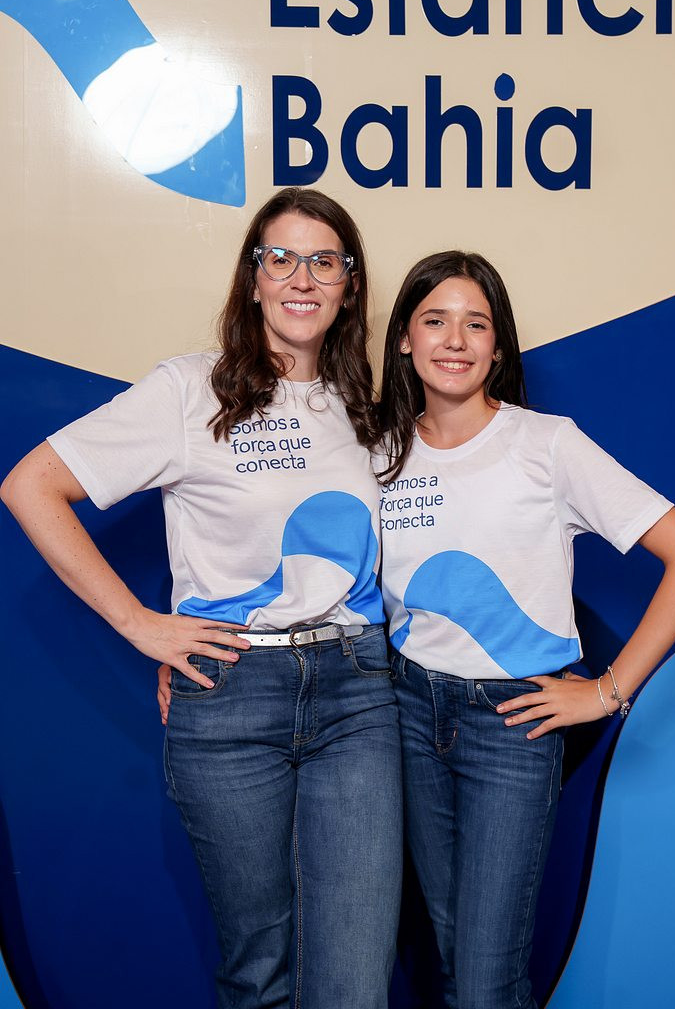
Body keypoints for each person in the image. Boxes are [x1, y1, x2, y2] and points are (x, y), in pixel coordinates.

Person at [1, 187, 402, 1009]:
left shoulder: (367, 406)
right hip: (232, 700)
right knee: (260, 970)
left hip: (359, 694)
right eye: (280, 258)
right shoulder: (191, 389)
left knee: (356, 980)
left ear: (350, 284)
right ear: (253, 278)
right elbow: (31, 485)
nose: (302, 278)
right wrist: (141, 626)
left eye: (324, 261)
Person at [375, 250, 675, 1009]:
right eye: (435, 320)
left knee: (486, 978)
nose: (455, 340)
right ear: (404, 337)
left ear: (499, 346)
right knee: (448, 954)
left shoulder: (546, 443)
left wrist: (606, 692)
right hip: (407, 715)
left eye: (477, 324)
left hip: (510, 727)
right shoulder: (378, 453)